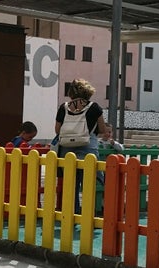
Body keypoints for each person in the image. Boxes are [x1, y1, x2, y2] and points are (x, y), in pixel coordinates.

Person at [54, 79, 107, 214]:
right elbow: (102, 129)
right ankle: (88, 214)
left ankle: (73, 213)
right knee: (89, 184)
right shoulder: (94, 107)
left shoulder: (64, 107)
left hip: (67, 150)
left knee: (71, 186)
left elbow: (57, 129)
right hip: (88, 148)